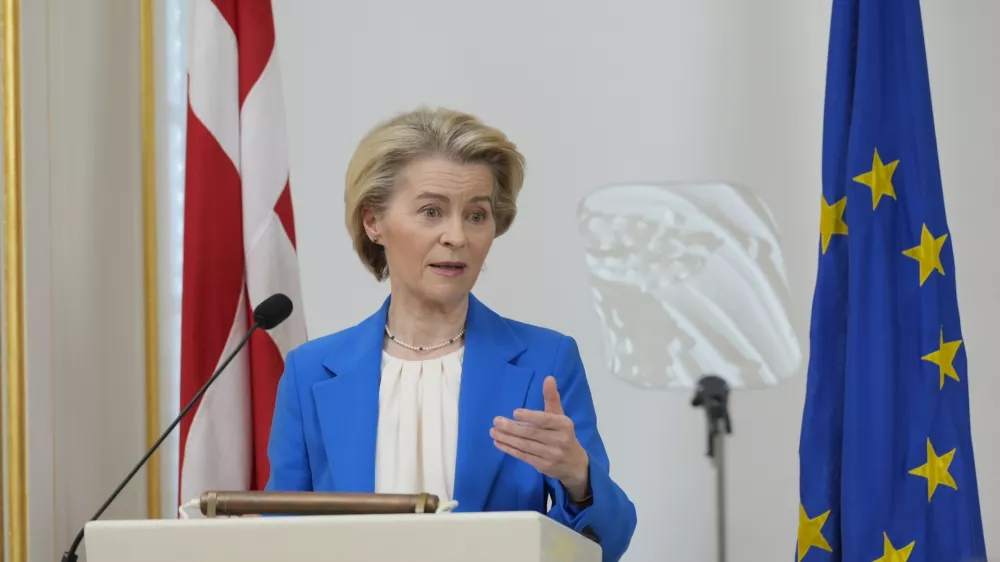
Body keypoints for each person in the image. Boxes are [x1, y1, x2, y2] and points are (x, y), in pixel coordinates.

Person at [265, 106, 637, 561]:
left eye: (476, 215)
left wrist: (579, 478)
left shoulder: (546, 360)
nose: (456, 236)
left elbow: (608, 545)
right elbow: (277, 537)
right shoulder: (311, 373)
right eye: (431, 211)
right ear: (373, 222)